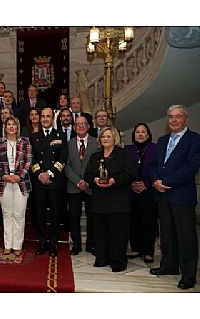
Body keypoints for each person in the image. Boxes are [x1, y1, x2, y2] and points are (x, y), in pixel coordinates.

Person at [149, 105, 200, 289]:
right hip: (162, 195)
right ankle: (169, 265)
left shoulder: (194, 140)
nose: (174, 120)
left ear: (185, 118)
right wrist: (155, 181)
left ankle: (188, 274)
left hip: (181, 196)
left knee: (186, 236)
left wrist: (166, 182)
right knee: (167, 234)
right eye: (171, 117)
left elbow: (191, 167)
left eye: (178, 116)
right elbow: (153, 165)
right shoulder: (162, 140)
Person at [84, 127, 137, 272]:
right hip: (99, 200)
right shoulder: (95, 156)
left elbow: (131, 173)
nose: (105, 139)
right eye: (103, 137)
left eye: (108, 136)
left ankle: (118, 261)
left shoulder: (123, 154)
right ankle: (102, 257)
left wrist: (114, 180)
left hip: (118, 200)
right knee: (100, 231)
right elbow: (87, 174)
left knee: (118, 232)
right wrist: (94, 179)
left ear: (115, 138)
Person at [0, 116, 32, 256]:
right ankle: (8, 245)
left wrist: (19, 176)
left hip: (21, 182)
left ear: (17, 127)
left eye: (13, 124)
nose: (11, 127)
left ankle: (18, 245)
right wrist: (4, 176)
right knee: (7, 214)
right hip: (5, 182)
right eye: (8, 124)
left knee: (19, 214)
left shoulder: (25, 141)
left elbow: (28, 161)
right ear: (5, 127)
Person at [30, 108, 68, 256]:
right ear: (40, 118)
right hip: (39, 181)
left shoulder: (61, 136)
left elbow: (63, 158)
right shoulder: (34, 137)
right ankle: (41, 242)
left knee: (55, 214)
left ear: (53, 118)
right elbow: (32, 157)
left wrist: (50, 173)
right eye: (43, 116)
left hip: (55, 181)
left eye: (48, 116)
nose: (45, 119)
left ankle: (53, 243)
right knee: (38, 214)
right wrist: (40, 174)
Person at [125, 123, 158, 263]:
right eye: (137, 132)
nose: (140, 134)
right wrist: (131, 183)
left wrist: (146, 184)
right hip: (131, 191)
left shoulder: (155, 149)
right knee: (133, 220)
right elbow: (124, 168)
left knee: (148, 220)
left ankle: (148, 251)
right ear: (134, 135)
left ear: (148, 135)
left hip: (148, 191)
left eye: (143, 132)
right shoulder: (128, 149)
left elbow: (157, 168)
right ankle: (136, 248)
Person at [65, 116, 99, 255]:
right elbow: (66, 165)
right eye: (78, 124)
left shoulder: (96, 143)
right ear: (74, 128)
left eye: (83, 124)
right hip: (73, 186)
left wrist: (87, 181)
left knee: (92, 216)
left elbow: (99, 164)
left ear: (88, 126)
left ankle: (91, 244)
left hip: (91, 186)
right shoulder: (69, 143)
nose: (81, 126)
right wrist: (78, 181)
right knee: (74, 217)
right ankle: (76, 244)